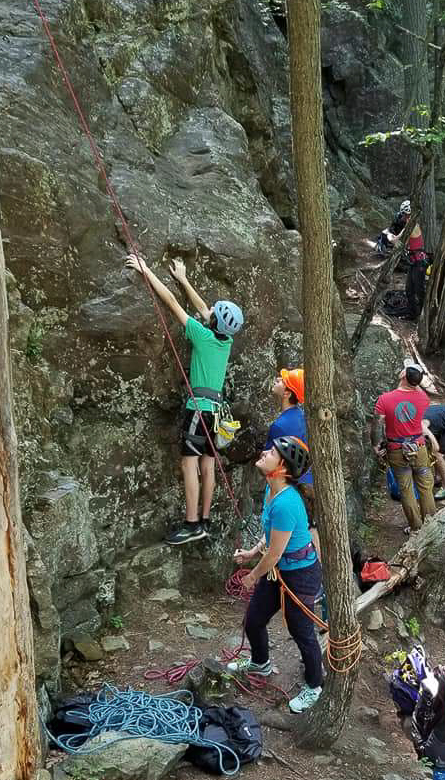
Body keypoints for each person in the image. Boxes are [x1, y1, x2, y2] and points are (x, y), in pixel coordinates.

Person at [126, 254, 243, 545]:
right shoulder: (224, 341)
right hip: (215, 413)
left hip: (198, 412)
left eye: (215, 311)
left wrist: (146, 270)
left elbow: (171, 303)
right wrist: (183, 278)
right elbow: (205, 309)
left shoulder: (202, 335)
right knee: (208, 466)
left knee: (189, 465)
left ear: (214, 322)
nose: (210, 309)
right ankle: (204, 521)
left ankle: (191, 524)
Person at [229, 436, 323, 714]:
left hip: (300, 574)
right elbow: (270, 537)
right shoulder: (271, 491)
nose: (263, 452)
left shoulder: (287, 503)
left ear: (282, 468)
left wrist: (253, 574)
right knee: (254, 619)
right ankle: (260, 662)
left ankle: (314, 686)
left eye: (271, 452)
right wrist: (251, 552)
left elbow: (276, 554)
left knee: (301, 630)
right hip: (278, 570)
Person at [371, 361, 436, 532]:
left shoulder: (385, 399)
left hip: (397, 450)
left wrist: (376, 445)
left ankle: (416, 527)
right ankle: (430, 528)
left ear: (403, 375)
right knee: (425, 487)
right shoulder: (423, 398)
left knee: (406, 490)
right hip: (418, 448)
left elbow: (377, 425)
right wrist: (416, 381)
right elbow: (417, 389)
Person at [268, 368, 319, 557]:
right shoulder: (302, 417)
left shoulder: (280, 425)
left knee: (292, 532)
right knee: (309, 527)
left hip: (289, 483)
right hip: (307, 481)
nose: (276, 380)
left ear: (288, 393)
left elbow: (270, 458)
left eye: (281, 380)